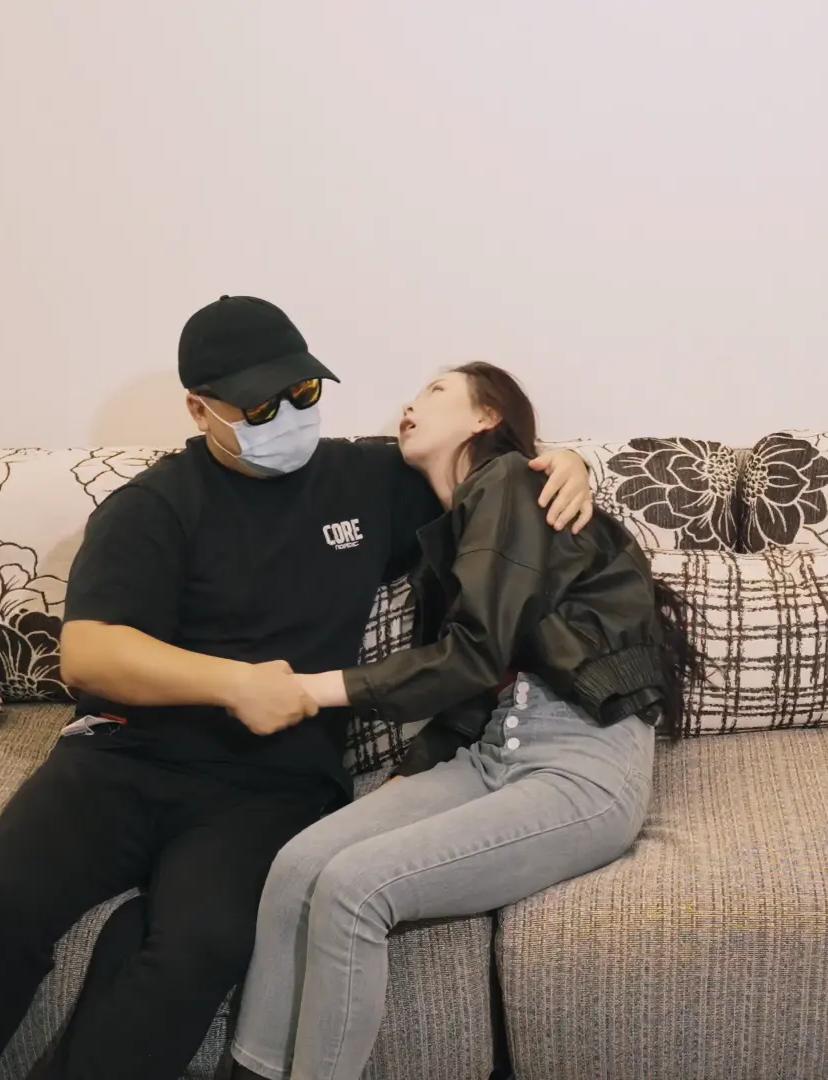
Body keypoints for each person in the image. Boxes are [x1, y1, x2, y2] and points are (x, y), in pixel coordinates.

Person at [0, 298, 597, 1080]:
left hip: (270, 783)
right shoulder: (154, 505)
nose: (288, 416)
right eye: (259, 406)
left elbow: (482, 477)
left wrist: (560, 463)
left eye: (302, 394)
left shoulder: (369, 481)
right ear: (199, 409)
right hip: (121, 760)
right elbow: (89, 653)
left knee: (201, 946)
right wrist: (232, 682)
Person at [227, 362, 680, 1080]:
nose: (410, 405)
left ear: (485, 417)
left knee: (352, 889)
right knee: (299, 867)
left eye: (436, 391)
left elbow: (473, 657)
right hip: (493, 753)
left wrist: (312, 690)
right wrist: (408, 779)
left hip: (580, 764)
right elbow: (470, 693)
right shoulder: (453, 528)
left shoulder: (510, 481)